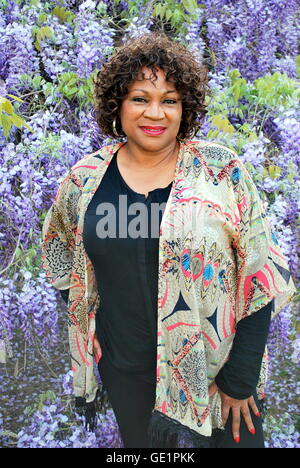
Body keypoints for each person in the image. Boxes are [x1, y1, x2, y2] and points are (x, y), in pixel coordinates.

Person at [41, 32, 297, 449]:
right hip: (128, 373)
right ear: (117, 106)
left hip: (217, 373)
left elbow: (260, 275)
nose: (154, 113)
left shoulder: (221, 171)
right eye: (140, 98)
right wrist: (85, 322)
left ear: (185, 108)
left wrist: (241, 376)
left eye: (170, 100)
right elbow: (59, 255)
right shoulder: (84, 180)